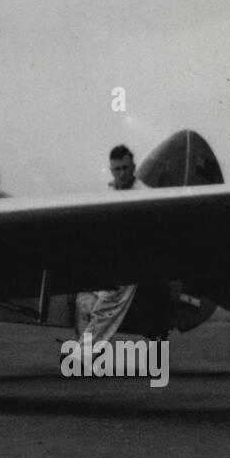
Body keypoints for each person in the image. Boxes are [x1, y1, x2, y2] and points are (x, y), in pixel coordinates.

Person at [73, 145, 150, 347]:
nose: (122, 173)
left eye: (126, 168)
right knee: (83, 300)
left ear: (134, 167)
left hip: (134, 264)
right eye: (117, 169)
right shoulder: (105, 195)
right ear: (111, 170)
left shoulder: (147, 196)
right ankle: (90, 355)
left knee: (112, 293)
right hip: (108, 262)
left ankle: (85, 353)